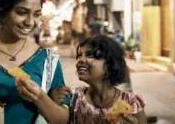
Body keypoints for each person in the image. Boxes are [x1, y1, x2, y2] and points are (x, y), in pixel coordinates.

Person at [16, 35, 147, 124]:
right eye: (79, 55)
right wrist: (45, 97)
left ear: (110, 64)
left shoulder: (132, 103)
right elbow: (57, 119)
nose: (80, 61)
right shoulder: (74, 97)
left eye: (90, 55)